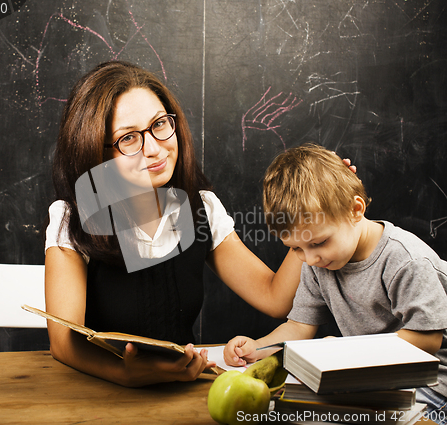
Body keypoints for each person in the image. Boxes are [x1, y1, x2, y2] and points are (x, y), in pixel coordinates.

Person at [45, 60, 306, 387]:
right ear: (97, 152)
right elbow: (63, 341)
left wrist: (317, 214)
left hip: (184, 391)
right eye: (128, 139)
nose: (154, 149)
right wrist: (125, 374)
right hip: (103, 395)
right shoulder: (72, 217)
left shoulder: (202, 208)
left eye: (159, 124)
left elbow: (274, 297)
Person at [224, 143, 447, 420]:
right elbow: (299, 327)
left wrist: (345, 351)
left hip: (433, 387)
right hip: (374, 377)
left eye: (318, 242)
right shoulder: (318, 262)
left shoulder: (405, 261)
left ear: (355, 210)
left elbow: (427, 340)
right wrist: (256, 348)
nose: (310, 258)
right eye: (295, 248)